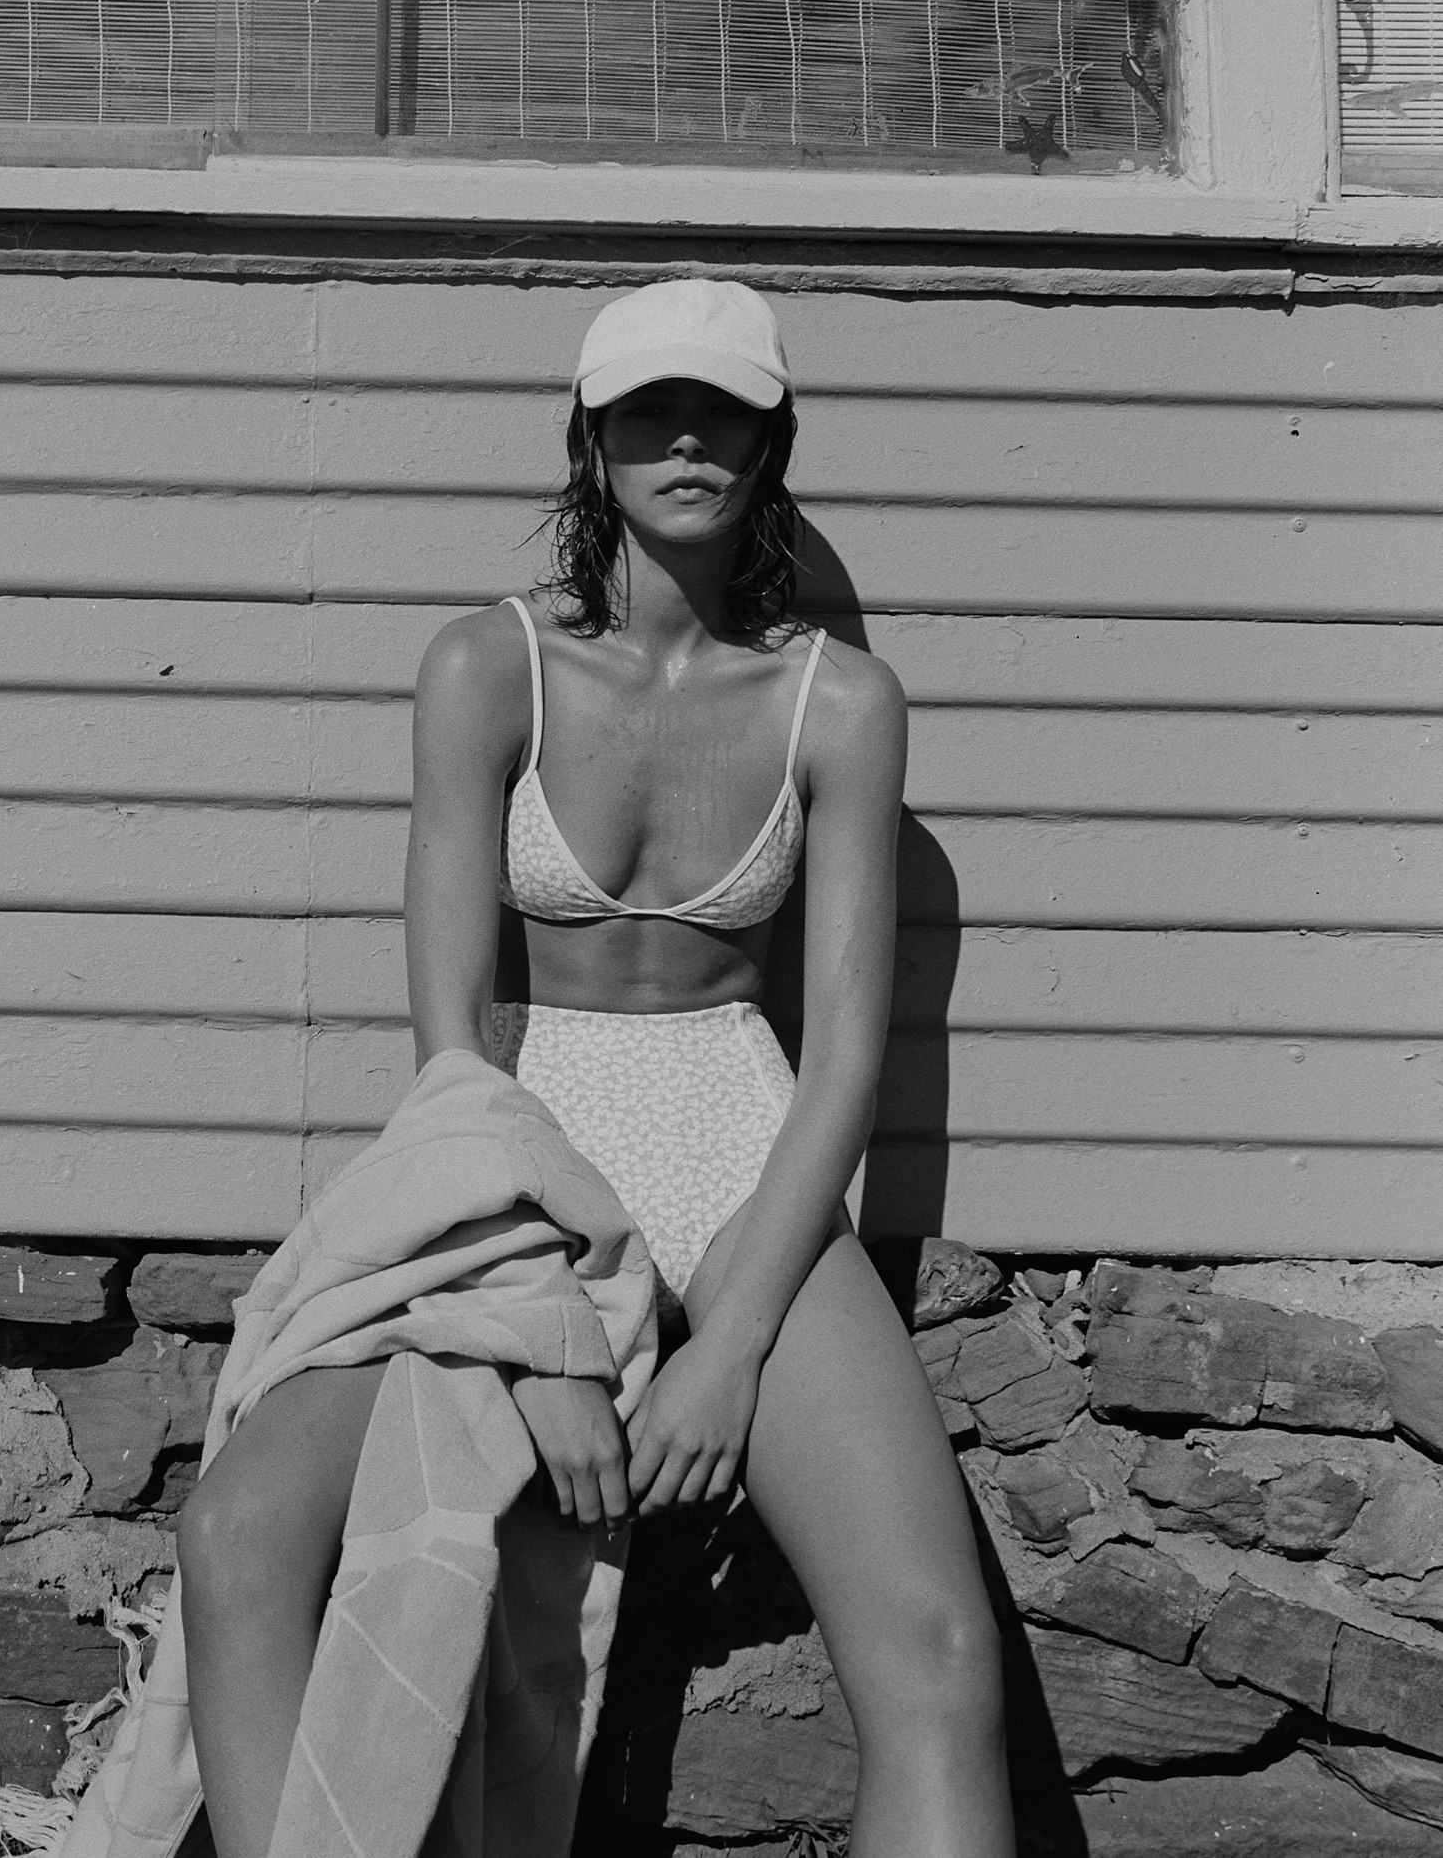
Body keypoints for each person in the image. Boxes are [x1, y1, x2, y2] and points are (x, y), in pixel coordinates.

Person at [174, 280, 1012, 1858]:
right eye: (648, 412)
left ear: (772, 441)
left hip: (743, 1154)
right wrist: (550, 1337)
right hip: (518, 1151)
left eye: (723, 414)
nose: (686, 443)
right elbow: (450, 1040)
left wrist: (729, 1347)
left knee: (941, 1651)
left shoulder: (840, 700)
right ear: (592, 439)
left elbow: (842, 1059)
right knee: (238, 1537)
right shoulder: (485, 667)